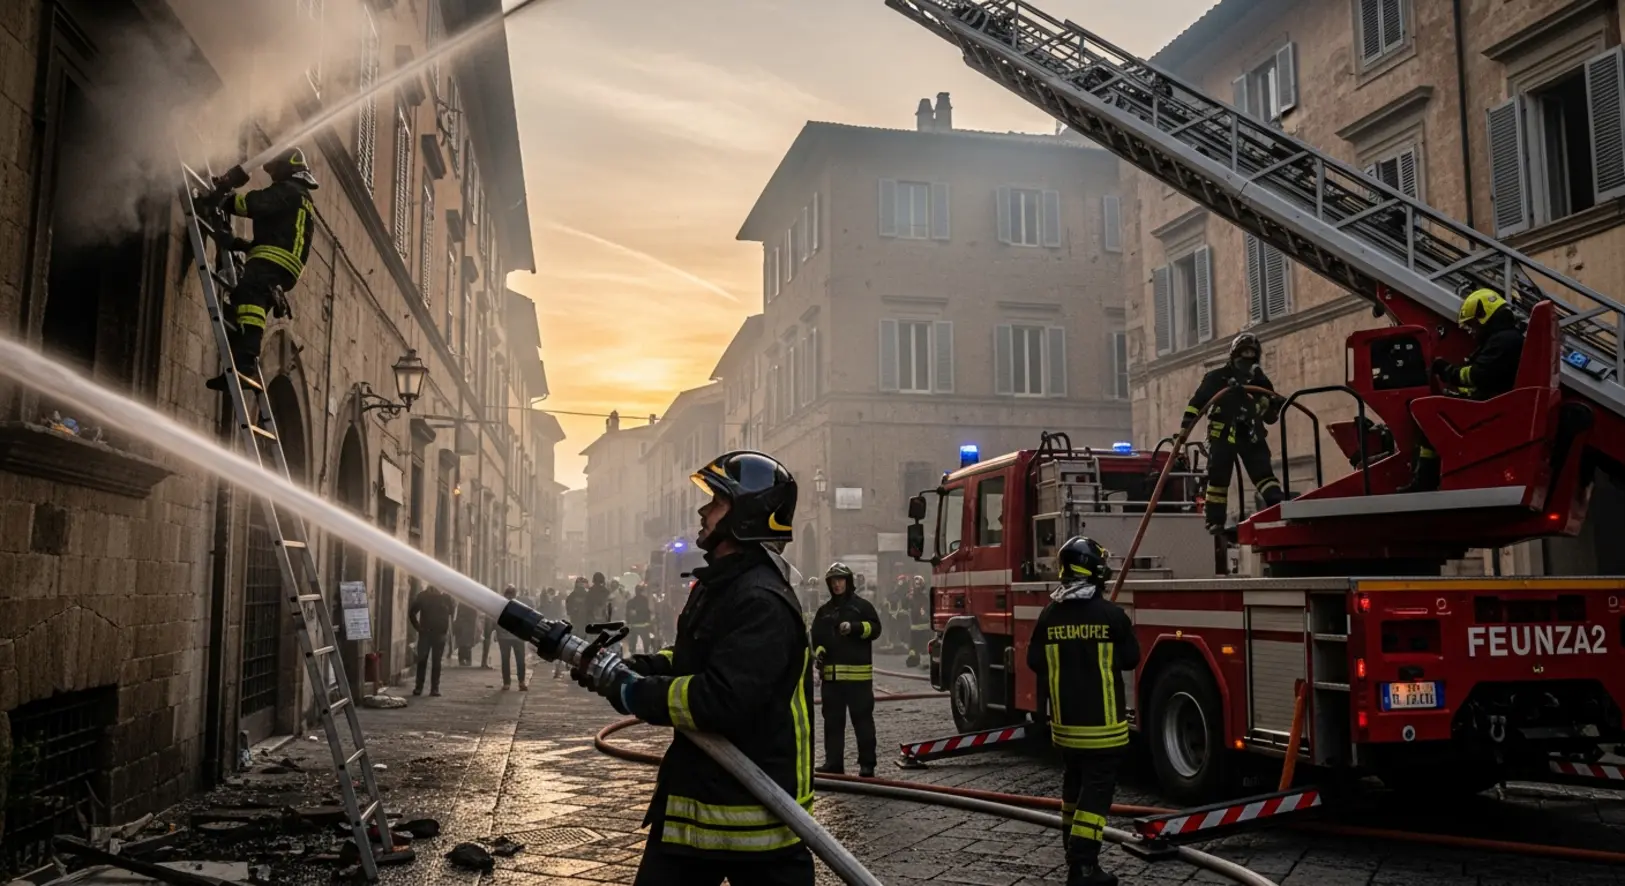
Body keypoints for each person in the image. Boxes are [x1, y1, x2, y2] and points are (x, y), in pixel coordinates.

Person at [572, 451, 814, 886]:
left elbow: (721, 699)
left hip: (752, 818)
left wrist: (632, 692)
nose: (702, 511)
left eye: (716, 502)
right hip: (701, 801)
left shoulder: (760, 601)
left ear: (746, 515)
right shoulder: (722, 585)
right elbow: (691, 658)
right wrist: (630, 667)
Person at [1025, 536, 1140, 886]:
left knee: (1073, 792)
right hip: (1104, 728)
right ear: (1091, 569)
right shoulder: (1112, 616)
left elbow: (1034, 661)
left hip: (1066, 728)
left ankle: (1073, 858)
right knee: (1096, 796)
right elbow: (1131, 659)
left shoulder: (1048, 615)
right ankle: (1084, 867)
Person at [204, 148, 318, 390]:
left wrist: (222, 198)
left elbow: (254, 204)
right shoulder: (302, 197)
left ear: (287, 168)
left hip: (273, 259)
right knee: (248, 301)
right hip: (283, 263)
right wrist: (238, 244)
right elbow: (279, 234)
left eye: (276, 170)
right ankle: (240, 359)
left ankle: (245, 362)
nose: (273, 175)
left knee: (249, 293)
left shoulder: (288, 190)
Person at [1403, 287, 1527, 493]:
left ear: (1483, 315)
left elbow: (1479, 375)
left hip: (1493, 412)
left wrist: (1446, 371)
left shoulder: (1503, 341)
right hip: (1496, 405)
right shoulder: (1507, 339)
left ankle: (1424, 480)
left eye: (1472, 325)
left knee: (1426, 412)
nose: (1471, 331)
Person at [1181, 332, 1285, 534]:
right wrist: (1185, 428)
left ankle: (1277, 506)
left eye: (1251, 355)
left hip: (1250, 433)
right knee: (1219, 477)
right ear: (1233, 355)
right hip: (1223, 433)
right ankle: (1215, 520)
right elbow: (1197, 403)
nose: (1247, 359)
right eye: (1243, 353)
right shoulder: (1216, 378)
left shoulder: (1261, 383)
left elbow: (1270, 418)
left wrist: (1275, 405)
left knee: (1263, 472)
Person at [810, 562, 882, 778]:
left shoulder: (862, 607)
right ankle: (834, 763)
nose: (837, 585)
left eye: (840, 580)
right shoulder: (824, 612)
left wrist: (856, 628)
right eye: (833, 581)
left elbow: (876, 629)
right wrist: (820, 651)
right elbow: (817, 638)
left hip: (858, 679)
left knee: (862, 722)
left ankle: (867, 765)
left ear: (848, 582)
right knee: (832, 723)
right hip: (831, 680)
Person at [408, 585, 455, 697]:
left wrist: (447, 630)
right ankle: (418, 687)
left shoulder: (446, 597)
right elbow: (412, 612)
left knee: (437, 662)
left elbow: (452, 613)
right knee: (422, 660)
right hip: (425, 634)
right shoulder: (423, 596)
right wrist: (418, 628)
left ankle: (435, 688)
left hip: (440, 634)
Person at [497, 585, 530, 691]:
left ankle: (507, 683)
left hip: (506, 637)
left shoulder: (500, 605)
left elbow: (496, 620)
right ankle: (521, 682)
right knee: (520, 660)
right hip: (516, 637)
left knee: (506, 660)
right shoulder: (520, 606)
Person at [556, 576, 589, 679]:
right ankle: (574, 662)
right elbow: (568, 608)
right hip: (578, 623)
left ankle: (577, 663)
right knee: (577, 644)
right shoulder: (575, 596)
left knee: (578, 644)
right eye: (581, 583)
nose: (582, 585)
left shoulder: (584, 595)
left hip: (582, 623)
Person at [906, 576, 931, 669]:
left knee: (918, 645)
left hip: (921, 626)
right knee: (918, 646)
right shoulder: (913, 597)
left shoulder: (921, 597)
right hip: (917, 626)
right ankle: (916, 660)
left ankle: (918, 660)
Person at [625, 583, 656, 654]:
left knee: (632, 644)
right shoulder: (645, 600)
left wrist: (628, 623)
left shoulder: (631, 602)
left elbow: (627, 614)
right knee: (646, 644)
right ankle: (647, 654)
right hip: (644, 626)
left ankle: (632, 656)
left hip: (634, 626)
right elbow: (647, 612)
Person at [452, 601, 479, 666]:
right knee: (466, 645)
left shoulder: (462, 604)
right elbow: (475, 616)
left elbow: (457, 615)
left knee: (463, 644)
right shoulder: (472, 604)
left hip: (463, 626)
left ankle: (462, 660)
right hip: (467, 626)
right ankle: (467, 660)